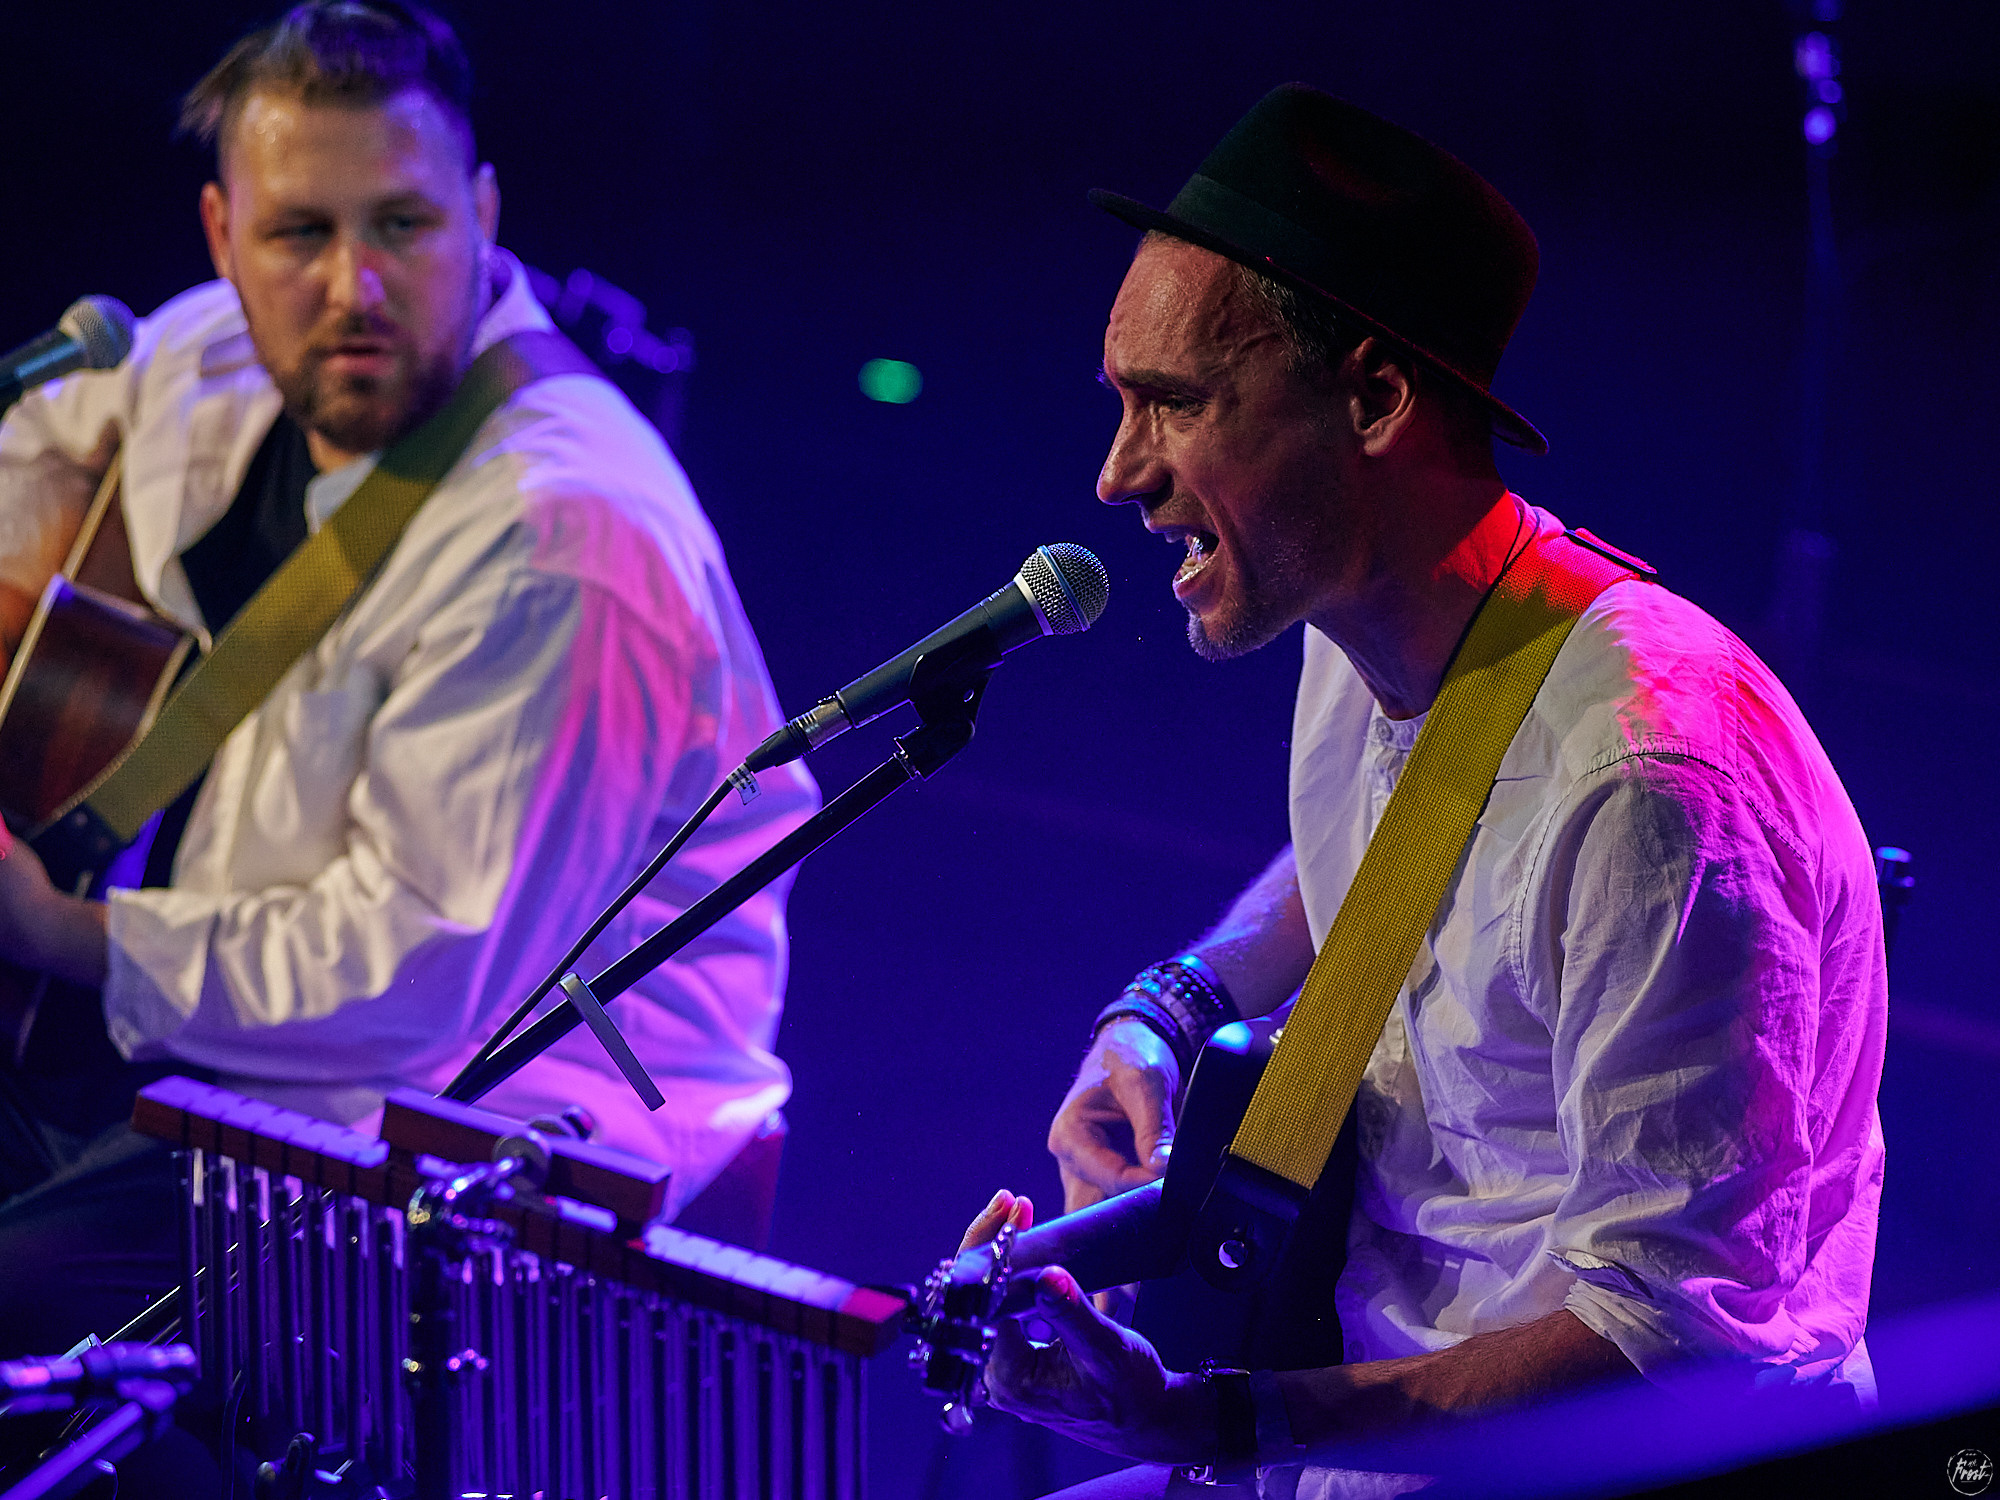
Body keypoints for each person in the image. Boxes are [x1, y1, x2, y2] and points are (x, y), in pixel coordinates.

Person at [965, 85, 1886, 1497]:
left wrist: (1216, 1422)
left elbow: (1674, 1343)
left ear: (1375, 399)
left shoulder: (1650, 779)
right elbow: (1389, 849)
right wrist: (1172, 1007)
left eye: (1177, 404)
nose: (1118, 476)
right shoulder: (1357, 630)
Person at [0, 0, 816, 1361]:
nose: (351, 288)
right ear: (223, 236)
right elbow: (48, 436)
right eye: (299, 235)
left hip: (468, 1140)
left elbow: (412, 976)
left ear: (483, 213)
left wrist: (53, 934)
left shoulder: (566, 533)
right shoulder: (213, 352)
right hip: (216, 1049)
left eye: (402, 226)